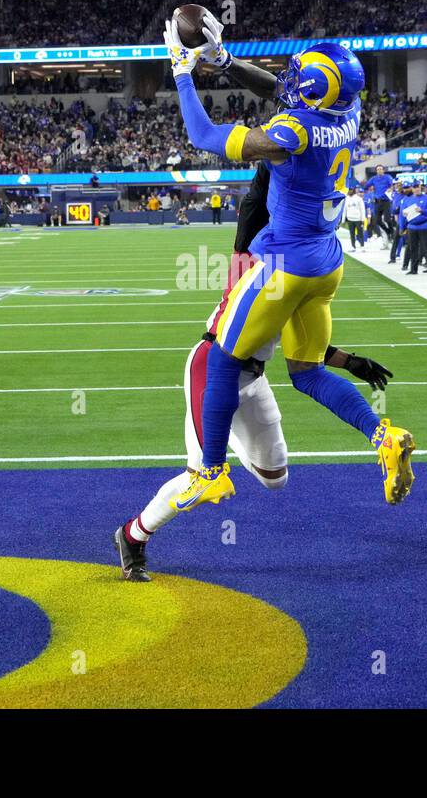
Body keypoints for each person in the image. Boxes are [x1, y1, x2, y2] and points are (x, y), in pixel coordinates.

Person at [162, 14, 417, 510]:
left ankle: (211, 469)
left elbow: (204, 135)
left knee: (222, 358)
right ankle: (382, 435)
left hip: (284, 263)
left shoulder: (293, 130)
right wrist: (227, 62)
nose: (291, 82)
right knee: (306, 371)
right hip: (326, 262)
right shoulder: (348, 109)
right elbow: (284, 87)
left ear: (314, 90)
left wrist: (182, 71)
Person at [114, 164, 393, 581]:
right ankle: (134, 535)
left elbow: (302, 345)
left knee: (275, 476)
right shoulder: (251, 264)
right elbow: (251, 212)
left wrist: (350, 362)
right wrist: (271, 166)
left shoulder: (293, 276)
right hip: (212, 368)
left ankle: (225, 438)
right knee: (197, 479)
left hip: (253, 376)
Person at [403, 182, 427, 275]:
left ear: (420, 188)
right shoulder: (408, 200)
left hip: (423, 226)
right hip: (412, 226)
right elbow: (404, 211)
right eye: (414, 187)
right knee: (412, 248)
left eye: (418, 187)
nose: (416, 189)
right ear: (412, 189)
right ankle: (414, 269)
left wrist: (422, 210)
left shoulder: (426, 199)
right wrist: (404, 214)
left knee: (426, 247)